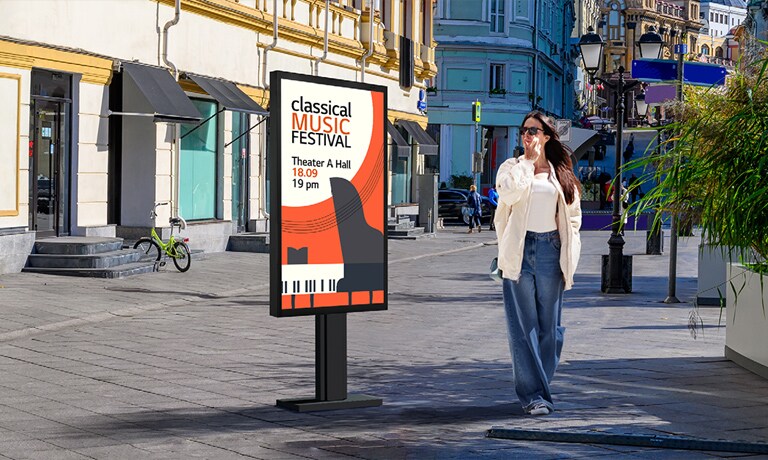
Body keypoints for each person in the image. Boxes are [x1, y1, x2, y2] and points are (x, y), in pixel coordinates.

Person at [493, 111, 582, 416]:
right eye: (524, 131)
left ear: (546, 136)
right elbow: (508, 192)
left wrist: (571, 251)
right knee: (523, 328)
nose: (528, 136)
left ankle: (539, 387)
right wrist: (528, 163)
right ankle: (534, 396)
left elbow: (573, 217)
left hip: (550, 251)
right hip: (520, 249)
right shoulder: (512, 168)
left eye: (534, 130)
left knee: (550, 330)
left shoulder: (562, 173)